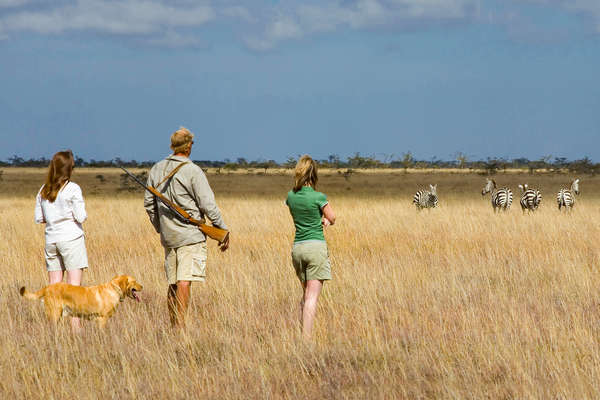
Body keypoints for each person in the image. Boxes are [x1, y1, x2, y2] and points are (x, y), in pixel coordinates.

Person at [144, 127, 229, 329]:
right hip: (191, 235)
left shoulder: (156, 169)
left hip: (169, 236)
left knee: (173, 283)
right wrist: (222, 229)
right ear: (189, 145)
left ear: (173, 146)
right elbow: (208, 204)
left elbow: (149, 204)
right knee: (184, 281)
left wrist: (161, 227)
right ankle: (180, 328)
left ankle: (174, 325)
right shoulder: (193, 170)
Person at [34, 150, 88, 333]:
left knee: (54, 287)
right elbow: (81, 216)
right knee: (74, 287)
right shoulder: (73, 189)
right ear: (69, 168)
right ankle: (75, 328)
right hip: (71, 239)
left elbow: (39, 218)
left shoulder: (43, 190)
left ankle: (53, 328)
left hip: (51, 240)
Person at [285, 155, 336, 340]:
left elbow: (301, 214)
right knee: (312, 298)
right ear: (313, 174)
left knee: (305, 295)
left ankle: (302, 335)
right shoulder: (318, 197)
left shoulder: (291, 196)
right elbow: (333, 217)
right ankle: (306, 341)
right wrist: (325, 220)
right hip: (315, 247)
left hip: (297, 248)